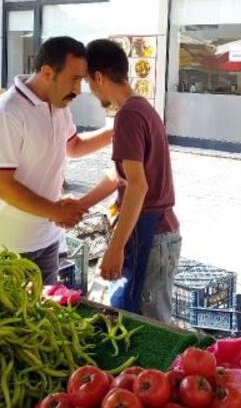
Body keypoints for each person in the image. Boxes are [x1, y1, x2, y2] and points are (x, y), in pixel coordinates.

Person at [0, 36, 113, 284]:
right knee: (7, 319)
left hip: (46, 240)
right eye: (74, 79)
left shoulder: (59, 105)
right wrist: (54, 211)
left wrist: (117, 131)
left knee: (40, 316)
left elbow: (74, 147)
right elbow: (1, 184)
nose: (78, 90)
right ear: (47, 72)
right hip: (4, 245)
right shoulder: (8, 111)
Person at [75, 39, 181, 322]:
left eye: (87, 81)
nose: (89, 89)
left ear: (98, 77)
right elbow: (121, 177)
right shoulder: (142, 109)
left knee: (149, 326)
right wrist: (80, 204)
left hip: (152, 234)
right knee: (137, 319)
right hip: (158, 233)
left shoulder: (128, 116)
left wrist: (114, 249)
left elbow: (138, 185)